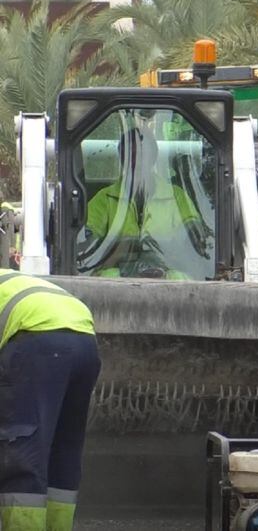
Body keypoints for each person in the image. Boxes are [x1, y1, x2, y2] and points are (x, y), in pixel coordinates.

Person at [0, 269, 99, 531]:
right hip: (85, 339)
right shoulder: (11, 279)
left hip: (38, 340)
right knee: (63, 449)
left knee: (22, 448)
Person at [84, 127, 211, 279]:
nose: (137, 161)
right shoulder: (103, 199)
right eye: (131, 155)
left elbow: (193, 245)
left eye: (143, 155)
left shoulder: (177, 197)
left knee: (182, 280)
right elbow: (87, 250)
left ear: (154, 157)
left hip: (167, 274)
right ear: (122, 158)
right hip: (117, 280)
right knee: (103, 279)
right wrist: (122, 250)